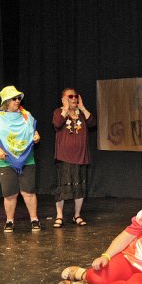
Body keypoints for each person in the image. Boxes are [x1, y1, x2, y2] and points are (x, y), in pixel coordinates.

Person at [0, 85, 41, 232]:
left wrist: (36, 136)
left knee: (28, 192)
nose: (18, 100)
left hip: (27, 159)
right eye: (14, 98)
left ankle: (34, 219)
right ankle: (9, 221)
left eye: (18, 98)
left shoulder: (26, 115)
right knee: (10, 193)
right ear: (6, 102)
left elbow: (33, 132)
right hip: (5, 160)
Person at [52, 88, 96, 228]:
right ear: (63, 98)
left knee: (79, 187)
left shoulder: (81, 113)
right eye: (70, 96)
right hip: (64, 156)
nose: (74, 98)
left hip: (81, 156)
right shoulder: (59, 112)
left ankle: (77, 214)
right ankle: (59, 216)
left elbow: (93, 123)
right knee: (62, 187)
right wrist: (65, 109)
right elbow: (57, 124)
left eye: (75, 96)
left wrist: (82, 108)